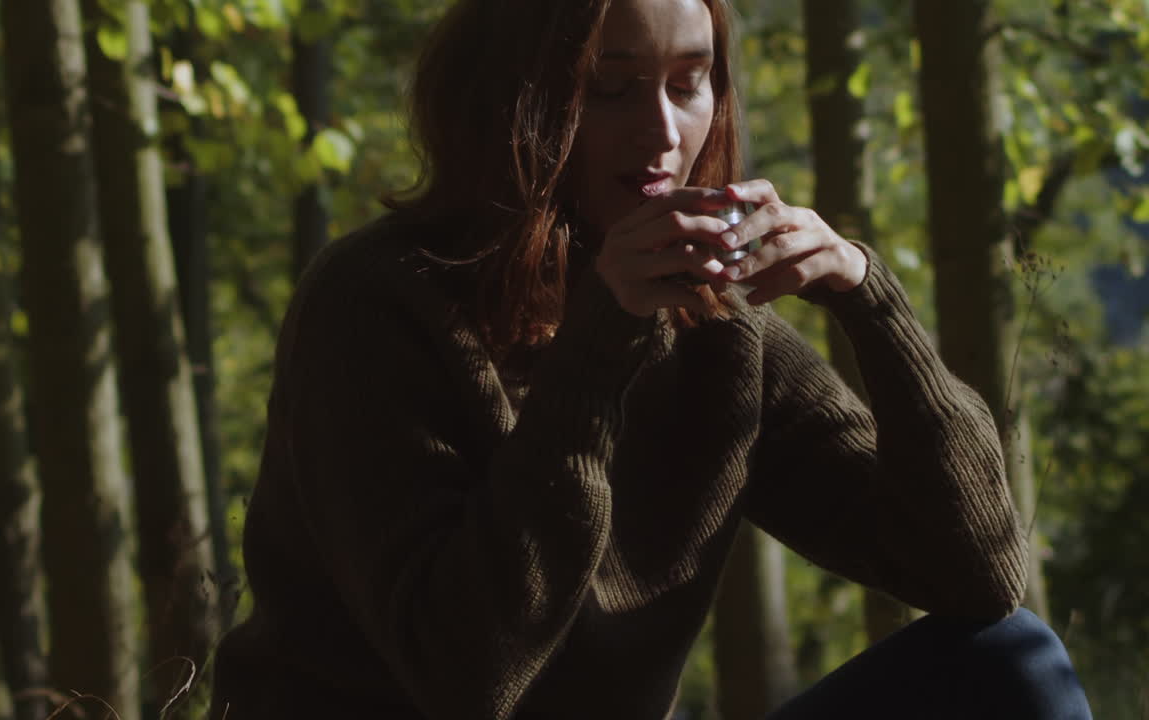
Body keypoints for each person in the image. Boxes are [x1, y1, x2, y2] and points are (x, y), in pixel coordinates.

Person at [208, 0, 1093, 717]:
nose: (663, 130)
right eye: (611, 87)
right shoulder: (374, 304)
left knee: (1010, 660)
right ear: (516, 97)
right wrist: (597, 348)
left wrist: (868, 298)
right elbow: (466, 675)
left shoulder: (718, 332)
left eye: (689, 82)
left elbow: (976, 577)